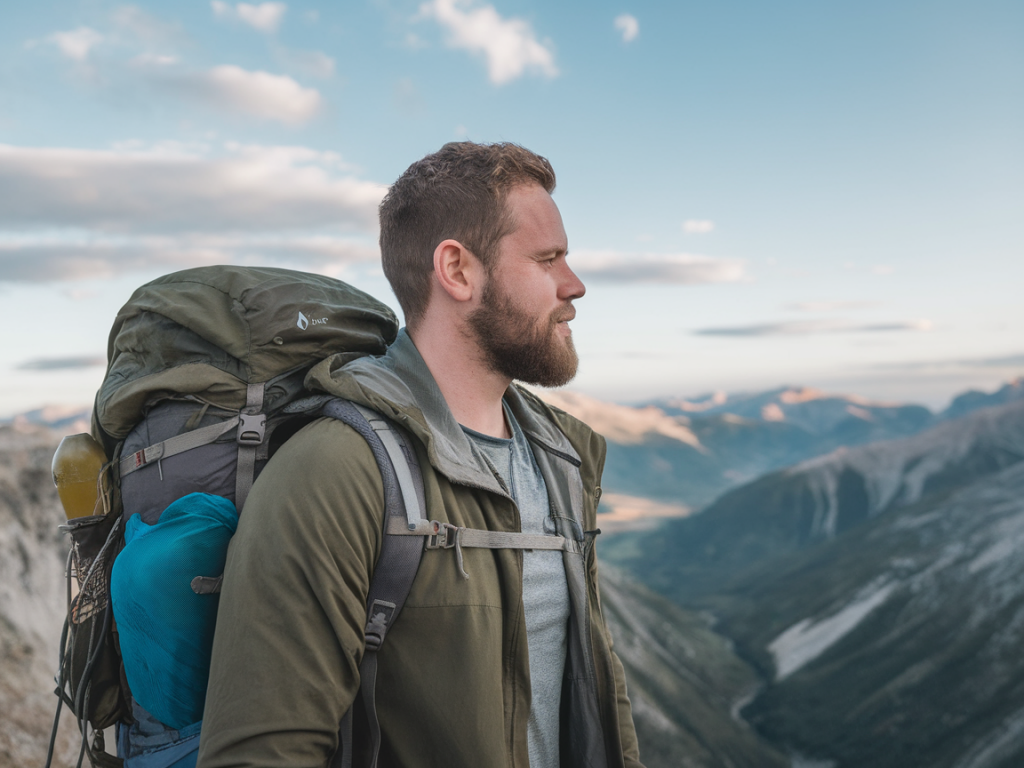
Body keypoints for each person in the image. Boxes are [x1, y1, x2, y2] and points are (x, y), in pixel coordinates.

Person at [197, 142, 644, 768]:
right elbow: (262, 752)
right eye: (547, 259)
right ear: (457, 271)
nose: (575, 284)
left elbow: (598, 681)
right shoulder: (336, 471)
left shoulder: (561, 459)